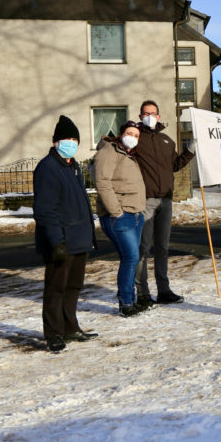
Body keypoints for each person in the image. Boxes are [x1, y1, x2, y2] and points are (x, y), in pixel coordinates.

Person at [32, 115, 98, 353]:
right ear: (56, 142)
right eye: (66, 139)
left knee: (73, 287)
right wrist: (56, 241)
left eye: (74, 139)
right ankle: (53, 333)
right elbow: (45, 210)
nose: (71, 143)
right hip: (61, 241)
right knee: (56, 288)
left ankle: (70, 327)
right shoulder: (48, 168)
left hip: (79, 239)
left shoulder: (72, 167)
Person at [134, 100, 195, 305]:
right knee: (143, 248)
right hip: (146, 201)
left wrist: (190, 150)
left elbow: (175, 165)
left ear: (158, 116)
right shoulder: (136, 139)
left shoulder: (167, 140)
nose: (149, 116)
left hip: (166, 200)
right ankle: (142, 293)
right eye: (146, 113)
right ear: (140, 116)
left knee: (162, 247)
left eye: (153, 113)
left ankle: (164, 290)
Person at [95, 120, 147, 316]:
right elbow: (102, 182)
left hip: (135, 214)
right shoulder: (109, 150)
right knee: (130, 257)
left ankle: (131, 300)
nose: (133, 137)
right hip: (119, 216)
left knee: (132, 258)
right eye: (129, 133)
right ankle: (125, 302)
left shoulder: (128, 154)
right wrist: (116, 211)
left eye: (136, 135)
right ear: (121, 134)